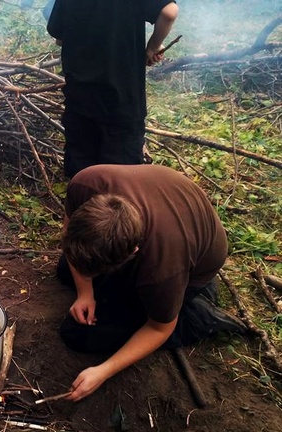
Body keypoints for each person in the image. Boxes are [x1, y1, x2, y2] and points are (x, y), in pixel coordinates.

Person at [57, 164, 246, 402]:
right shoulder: (85, 183)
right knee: (66, 269)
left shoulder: (161, 269)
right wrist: (85, 291)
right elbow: (68, 229)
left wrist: (103, 371)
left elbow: (159, 329)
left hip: (195, 266)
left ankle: (195, 315)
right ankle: (156, 301)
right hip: (167, 219)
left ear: (133, 252)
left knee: (77, 334)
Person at [46, 0, 179, 177]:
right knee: (121, 184)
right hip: (122, 105)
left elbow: (59, 39)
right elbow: (169, 12)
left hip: (80, 101)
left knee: (82, 178)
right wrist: (152, 47)